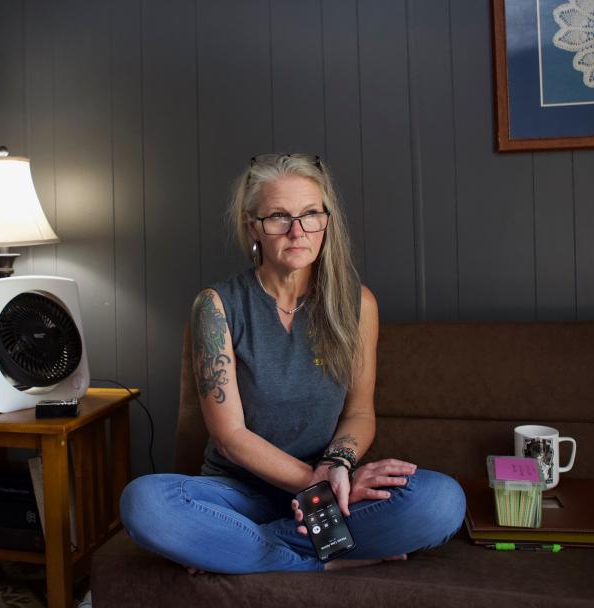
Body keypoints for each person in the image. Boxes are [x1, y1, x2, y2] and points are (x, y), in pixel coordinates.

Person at [120, 153, 465, 573]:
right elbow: (230, 437)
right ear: (254, 226)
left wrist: (337, 467)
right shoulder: (215, 306)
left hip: (327, 489)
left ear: (326, 220)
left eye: (310, 214)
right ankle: (328, 562)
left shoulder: (358, 303)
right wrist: (314, 482)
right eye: (279, 216)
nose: (297, 230)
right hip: (237, 495)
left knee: (441, 501)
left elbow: (359, 413)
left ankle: (237, 550)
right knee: (146, 503)